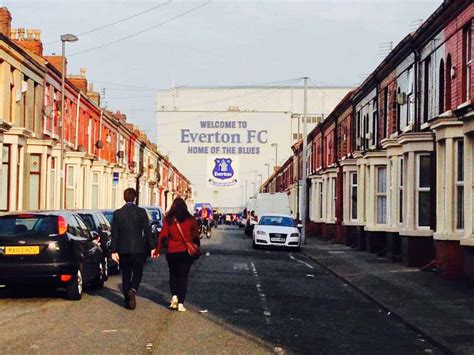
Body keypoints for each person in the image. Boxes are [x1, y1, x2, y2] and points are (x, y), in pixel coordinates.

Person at [153, 197, 200, 312]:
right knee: (183, 278)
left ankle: (174, 296)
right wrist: (197, 247)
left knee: (173, 275)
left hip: (172, 252)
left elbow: (162, 236)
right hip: (185, 253)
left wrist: (157, 250)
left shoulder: (169, 219)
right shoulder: (190, 219)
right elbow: (195, 236)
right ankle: (181, 303)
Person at [111, 188, 153, 310]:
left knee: (126, 274)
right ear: (135, 198)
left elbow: (115, 234)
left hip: (123, 249)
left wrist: (113, 251)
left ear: (124, 198)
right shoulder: (141, 212)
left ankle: (126, 300)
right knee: (138, 272)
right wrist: (152, 247)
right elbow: (147, 231)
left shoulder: (118, 213)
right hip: (138, 249)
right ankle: (133, 289)